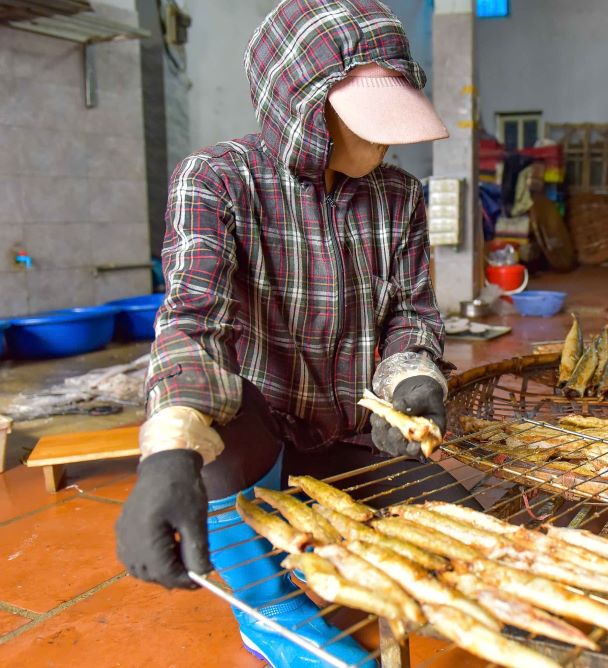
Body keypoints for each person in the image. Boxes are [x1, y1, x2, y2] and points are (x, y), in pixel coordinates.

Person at [115, 1, 462, 665]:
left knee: (465, 536)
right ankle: (270, 611)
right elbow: (194, 324)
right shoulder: (217, 181)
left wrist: (413, 377)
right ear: (300, 109)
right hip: (255, 443)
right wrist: (167, 452)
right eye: (364, 117)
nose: (386, 141)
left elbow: (412, 315)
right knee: (219, 422)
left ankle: (307, 521)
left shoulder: (400, 198)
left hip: (348, 435)